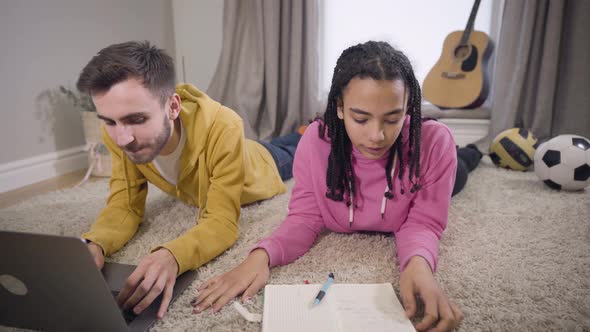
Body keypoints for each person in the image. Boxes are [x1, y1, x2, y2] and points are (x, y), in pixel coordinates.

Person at [193, 41, 481, 331]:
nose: (377, 135)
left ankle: (474, 152)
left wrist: (418, 263)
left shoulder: (431, 143)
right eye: (361, 118)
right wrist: (261, 255)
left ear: (408, 109)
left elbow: (424, 222)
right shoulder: (315, 143)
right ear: (340, 109)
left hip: (424, 172)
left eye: (393, 118)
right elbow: (304, 218)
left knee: (462, 169)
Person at [76, 41, 302, 319]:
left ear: (173, 106)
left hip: (264, 165)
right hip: (243, 150)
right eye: (109, 122)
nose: (123, 138)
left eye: (136, 119)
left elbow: (222, 221)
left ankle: (309, 130)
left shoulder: (224, 125)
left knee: (299, 146)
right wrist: (94, 243)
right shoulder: (118, 135)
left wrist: (173, 255)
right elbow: (124, 205)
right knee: (280, 140)